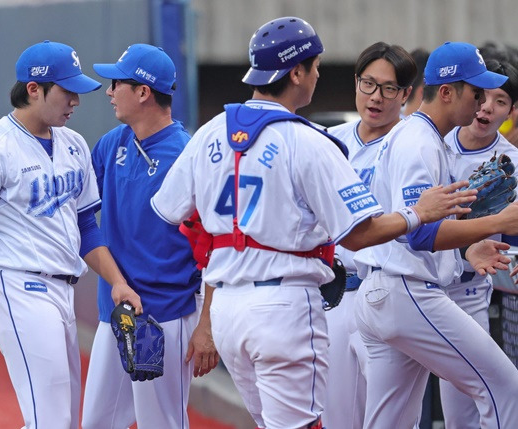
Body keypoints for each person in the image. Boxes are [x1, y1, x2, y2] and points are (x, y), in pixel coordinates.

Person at [150, 17, 486, 429]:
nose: (317, 76)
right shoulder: (309, 139)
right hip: (285, 305)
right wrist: (419, 213)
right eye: (315, 68)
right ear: (296, 72)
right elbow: (360, 234)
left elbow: (172, 212)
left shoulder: (210, 131)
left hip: (230, 310)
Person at [0, 40, 141, 429]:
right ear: (34, 90)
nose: (76, 101)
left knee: (63, 421)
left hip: (61, 294)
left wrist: (117, 282)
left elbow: (87, 227)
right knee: (50, 420)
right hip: (16, 288)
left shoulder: (74, 144)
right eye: (67, 91)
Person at [352, 41, 518, 429]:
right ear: (447, 92)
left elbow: (421, 230)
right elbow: (421, 234)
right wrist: (500, 222)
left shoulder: (418, 136)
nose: (481, 103)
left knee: (389, 423)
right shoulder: (419, 141)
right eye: (475, 92)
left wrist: (467, 249)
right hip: (406, 291)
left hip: (385, 291)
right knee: (505, 388)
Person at [80, 44, 219, 429]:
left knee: (162, 424)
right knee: (96, 423)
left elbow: (216, 246)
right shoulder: (112, 143)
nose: (109, 92)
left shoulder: (188, 154)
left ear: (143, 92)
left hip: (166, 314)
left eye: (116, 83)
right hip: (116, 310)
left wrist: (207, 326)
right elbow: (81, 214)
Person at [323, 41, 417, 429]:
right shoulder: (327, 140)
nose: (376, 97)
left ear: (407, 94)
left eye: (389, 88)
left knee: (391, 421)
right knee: (334, 418)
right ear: (356, 83)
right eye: (368, 84)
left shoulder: (415, 144)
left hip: (387, 294)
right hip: (332, 296)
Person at [438, 57, 518, 429]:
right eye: (482, 96)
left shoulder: (512, 161)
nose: (487, 107)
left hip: (469, 294)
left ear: (511, 111)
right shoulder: (434, 142)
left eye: (500, 100)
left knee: (464, 413)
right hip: (418, 288)